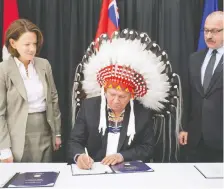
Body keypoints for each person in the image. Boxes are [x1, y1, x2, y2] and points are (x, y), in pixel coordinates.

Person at [67, 30, 171, 169]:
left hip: (126, 169)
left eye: (122, 96)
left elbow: (148, 148)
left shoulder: (142, 113)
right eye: (112, 94)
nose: (116, 100)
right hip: (94, 168)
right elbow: (74, 142)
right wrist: (79, 156)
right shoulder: (89, 107)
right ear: (104, 90)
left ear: (132, 96)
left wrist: (122, 156)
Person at [0, 19, 62, 162]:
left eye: (34, 44)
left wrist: (57, 132)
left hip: (44, 130)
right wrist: (4, 149)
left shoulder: (44, 64)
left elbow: (53, 99)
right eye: (27, 44)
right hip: (16, 134)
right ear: (13, 43)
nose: (32, 49)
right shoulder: (3, 69)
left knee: (44, 178)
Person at [179, 11, 223, 162]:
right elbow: (188, 96)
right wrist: (183, 127)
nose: (209, 36)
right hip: (195, 139)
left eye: (215, 31)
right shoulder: (195, 59)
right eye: (206, 30)